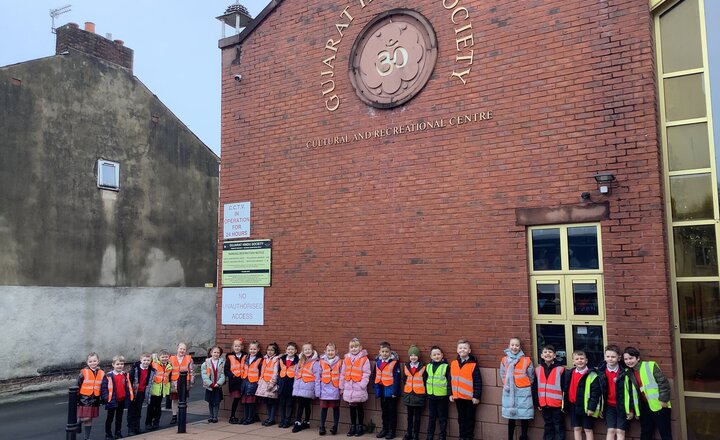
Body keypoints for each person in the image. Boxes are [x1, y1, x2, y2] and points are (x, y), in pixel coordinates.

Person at [622, 347, 672, 440]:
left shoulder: (650, 366)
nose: (628, 361)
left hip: (659, 405)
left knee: (665, 433)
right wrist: (633, 410)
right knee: (646, 432)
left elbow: (663, 383)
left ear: (638, 358)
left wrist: (663, 400)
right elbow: (630, 393)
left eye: (631, 358)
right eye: (626, 359)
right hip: (644, 407)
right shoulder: (628, 373)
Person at [501, 337, 534, 440]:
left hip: (523, 392)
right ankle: (510, 438)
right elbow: (502, 373)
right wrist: (507, 384)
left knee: (525, 416)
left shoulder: (526, 360)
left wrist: (526, 385)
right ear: (509, 346)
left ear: (520, 347)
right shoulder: (504, 360)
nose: (514, 347)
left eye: (516, 345)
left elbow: (531, 375)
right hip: (509, 391)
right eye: (512, 345)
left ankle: (524, 436)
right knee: (511, 418)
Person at [563, 350, 601, 440]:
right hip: (573, 405)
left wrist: (591, 408)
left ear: (586, 361)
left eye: (582, 358)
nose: (580, 360)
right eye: (577, 359)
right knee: (577, 428)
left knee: (588, 429)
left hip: (586, 406)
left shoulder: (592, 374)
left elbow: (595, 393)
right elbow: (566, 390)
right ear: (573, 361)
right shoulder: (569, 373)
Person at [449, 339, 482, 440]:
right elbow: (450, 379)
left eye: (465, 348)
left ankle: (469, 437)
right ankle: (462, 437)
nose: (462, 350)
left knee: (470, 419)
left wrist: (476, 396)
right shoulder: (453, 363)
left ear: (469, 350)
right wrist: (450, 393)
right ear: (457, 350)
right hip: (458, 397)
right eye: (460, 348)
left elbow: (478, 382)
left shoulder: (473, 364)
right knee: (461, 419)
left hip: (469, 398)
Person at [532, 344, 565, 440]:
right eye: (545, 352)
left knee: (558, 426)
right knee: (548, 426)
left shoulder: (561, 369)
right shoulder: (537, 370)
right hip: (544, 404)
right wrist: (537, 402)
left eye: (550, 352)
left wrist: (564, 404)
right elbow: (535, 387)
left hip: (557, 405)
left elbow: (564, 388)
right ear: (541, 355)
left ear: (554, 355)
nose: (548, 354)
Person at [340, 337, 371, 437]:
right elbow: (343, 373)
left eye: (356, 347)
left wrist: (362, 385)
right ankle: (353, 426)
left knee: (359, 407)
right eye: (352, 347)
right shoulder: (346, 359)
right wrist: (342, 387)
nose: (354, 349)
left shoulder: (364, 359)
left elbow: (366, 373)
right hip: (349, 388)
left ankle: (360, 426)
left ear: (360, 347)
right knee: (351, 408)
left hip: (358, 388)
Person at [597, 345, 628, 440]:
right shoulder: (601, 372)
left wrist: (630, 410)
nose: (610, 359)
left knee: (620, 431)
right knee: (611, 430)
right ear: (604, 357)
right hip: (609, 406)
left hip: (622, 405)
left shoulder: (624, 372)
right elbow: (598, 392)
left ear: (619, 358)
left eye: (613, 357)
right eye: (608, 356)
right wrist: (600, 407)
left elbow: (630, 392)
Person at [101, 355, 134, 440]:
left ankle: (118, 432)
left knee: (119, 418)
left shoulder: (125, 375)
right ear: (113, 365)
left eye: (121, 364)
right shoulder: (108, 376)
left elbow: (128, 387)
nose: (120, 366)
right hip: (112, 400)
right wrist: (107, 398)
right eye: (117, 364)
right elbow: (104, 388)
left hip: (121, 400)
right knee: (110, 418)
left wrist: (129, 397)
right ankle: (108, 434)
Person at [374, 341, 402, 439]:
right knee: (384, 412)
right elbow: (375, 376)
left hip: (391, 392)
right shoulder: (378, 362)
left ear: (390, 352)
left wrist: (395, 391)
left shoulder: (394, 363)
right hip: (382, 391)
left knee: (392, 412)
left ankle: (392, 431)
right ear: (380, 352)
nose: (385, 353)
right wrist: (377, 390)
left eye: (387, 351)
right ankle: (384, 429)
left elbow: (397, 378)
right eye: (383, 351)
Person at [316, 342, 342, 436]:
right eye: (328, 350)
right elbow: (318, 377)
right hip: (324, 389)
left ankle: (335, 426)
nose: (330, 352)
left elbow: (342, 375)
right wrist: (317, 390)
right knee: (324, 408)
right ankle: (322, 426)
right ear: (325, 351)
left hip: (335, 388)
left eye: (332, 350)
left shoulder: (339, 362)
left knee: (336, 408)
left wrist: (341, 388)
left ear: (336, 351)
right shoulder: (321, 361)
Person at [425, 346, 451, 440]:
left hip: (442, 397)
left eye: (438, 354)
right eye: (434, 355)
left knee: (442, 418)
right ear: (431, 356)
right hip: (431, 396)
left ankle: (442, 436)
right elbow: (425, 380)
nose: (436, 356)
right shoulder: (428, 366)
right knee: (431, 417)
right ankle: (429, 436)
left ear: (442, 355)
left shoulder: (446, 366)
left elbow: (449, 381)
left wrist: (449, 394)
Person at [77, 352, 105, 440]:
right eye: (90, 361)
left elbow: (103, 387)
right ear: (87, 362)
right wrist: (77, 399)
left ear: (98, 361)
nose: (93, 363)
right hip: (85, 399)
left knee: (90, 419)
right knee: (87, 417)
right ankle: (78, 422)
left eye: (94, 361)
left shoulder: (101, 372)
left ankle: (87, 438)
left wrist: (103, 398)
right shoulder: (83, 372)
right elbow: (78, 385)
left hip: (95, 399)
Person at [292, 342, 319, 432]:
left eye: (309, 349)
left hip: (308, 386)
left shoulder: (315, 362)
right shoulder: (300, 361)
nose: (307, 351)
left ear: (312, 350)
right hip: (300, 386)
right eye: (305, 349)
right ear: (303, 351)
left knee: (306, 404)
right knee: (300, 404)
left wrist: (317, 391)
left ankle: (305, 421)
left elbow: (317, 376)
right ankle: (298, 422)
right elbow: (296, 373)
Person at [401, 345, 426, 440]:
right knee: (409, 416)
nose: (413, 357)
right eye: (411, 355)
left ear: (418, 356)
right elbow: (404, 379)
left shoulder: (423, 367)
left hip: (419, 395)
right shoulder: (406, 366)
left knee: (418, 417)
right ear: (409, 356)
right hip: (408, 395)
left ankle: (416, 434)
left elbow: (425, 380)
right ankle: (409, 433)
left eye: (415, 355)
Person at [127, 353, 154, 435]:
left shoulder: (151, 370)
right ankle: (130, 429)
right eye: (144, 360)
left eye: (148, 360)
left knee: (138, 411)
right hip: (134, 392)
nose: (146, 362)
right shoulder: (135, 369)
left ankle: (137, 427)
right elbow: (130, 380)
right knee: (132, 411)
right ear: (141, 360)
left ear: (150, 361)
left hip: (142, 392)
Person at [146, 350, 172, 431]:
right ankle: (148, 423)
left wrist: (167, 390)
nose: (164, 358)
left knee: (158, 407)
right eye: (162, 357)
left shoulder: (169, 366)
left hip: (161, 390)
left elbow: (168, 378)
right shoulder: (154, 364)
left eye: (166, 357)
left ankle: (156, 422)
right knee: (150, 407)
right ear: (159, 357)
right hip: (153, 389)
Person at [169, 342, 194, 425]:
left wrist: (191, 383)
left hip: (185, 382)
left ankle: (182, 416)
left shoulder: (189, 359)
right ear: (177, 349)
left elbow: (191, 371)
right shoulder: (171, 359)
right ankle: (174, 416)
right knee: (174, 400)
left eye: (184, 349)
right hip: (174, 381)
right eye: (181, 348)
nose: (182, 350)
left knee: (183, 400)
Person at [257, 342, 281, 426]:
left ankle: (272, 419)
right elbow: (262, 371)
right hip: (264, 383)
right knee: (267, 402)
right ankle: (268, 417)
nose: (269, 351)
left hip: (271, 384)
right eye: (268, 350)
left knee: (272, 402)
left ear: (275, 351)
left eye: (272, 350)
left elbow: (275, 373)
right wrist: (260, 381)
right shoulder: (265, 359)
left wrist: (271, 384)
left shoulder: (276, 360)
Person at [201, 346, 226, 423]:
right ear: (211, 353)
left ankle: (215, 416)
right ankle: (211, 416)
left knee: (217, 402)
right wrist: (210, 384)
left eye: (218, 352)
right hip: (210, 386)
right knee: (210, 401)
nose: (216, 354)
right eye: (214, 352)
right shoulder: (205, 364)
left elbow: (223, 374)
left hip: (217, 386)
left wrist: (218, 383)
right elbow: (204, 375)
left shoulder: (222, 363)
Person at [240, 340, 263, 424]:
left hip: (253, 382)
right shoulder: (245, 358)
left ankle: (250, 417)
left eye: (254, 349)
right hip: (245, 381)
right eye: (251, 349)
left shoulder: (259, 360)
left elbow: (261, 371)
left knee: (251, 401)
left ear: (258, 350)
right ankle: (245, 417)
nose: (252, 351)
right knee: (245, 401)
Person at [278, 342, 299, 428]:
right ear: (286, 350)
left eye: (292, 349)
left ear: (296, 351)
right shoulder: (281, 359)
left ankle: (287, 420)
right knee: (282, 403)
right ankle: (282, 420)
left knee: (289, 404)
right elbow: (278, 371)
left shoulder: (297, 360)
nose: (290, 351)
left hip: (291, 384)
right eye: (289, 349)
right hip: (282, 383)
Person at [225, 339, 246, 424]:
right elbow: (226, 369)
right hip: (234, 382)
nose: (237, 348)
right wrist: (232, 376)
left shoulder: (245, 355)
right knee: (236, 399)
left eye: (239, 346)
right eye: (235, 346)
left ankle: (247, 415)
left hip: (244, 380)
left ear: (242, 347)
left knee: (245, 399)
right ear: (233, 347)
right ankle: (232, 416)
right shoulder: (229, 356)